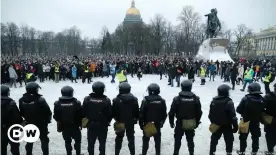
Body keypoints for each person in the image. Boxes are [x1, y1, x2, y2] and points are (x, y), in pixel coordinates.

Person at [168, 80, 202, 155]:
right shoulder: (195, 99)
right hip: (191, 122)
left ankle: (176, 152)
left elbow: (171, 112)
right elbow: (199, 112)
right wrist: (197, 122)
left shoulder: (177, 99)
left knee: (177, 139)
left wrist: (171, 122)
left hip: (180, 122)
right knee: (190, 140)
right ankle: (191, 152)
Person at [19, 82, 52, 155]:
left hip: (29, 123)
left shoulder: (21, 100)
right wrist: (47, 121)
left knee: (30, 141)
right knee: (44, 140)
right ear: (35, 90)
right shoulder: (40, 100)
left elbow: (21, 112)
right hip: (41, 123)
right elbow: (48, 112)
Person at [82, 81, 112, 155]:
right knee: (102, 143)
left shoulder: (87, 99)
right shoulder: (106, 100)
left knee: (91, 143)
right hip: (103, 125)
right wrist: (107, 121)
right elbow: (110, 114)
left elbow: (83, 112)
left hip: (91, 125)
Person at [208, 84, 238, 155]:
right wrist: (235, 126)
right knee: (229, 140)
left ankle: (212, 152)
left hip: (217, 124)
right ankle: (229, 152)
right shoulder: (229, 102)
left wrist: (214, 122)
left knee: (214, 139)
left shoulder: (213, 101)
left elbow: (210, 115)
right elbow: (233, 115)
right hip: (227, 125)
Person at [236, 82, 265, 155]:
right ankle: (254, 152)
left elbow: (238, 110)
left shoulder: (245, 99)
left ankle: (242, 151)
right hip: (256, 122)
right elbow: (263, 110)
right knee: (255, 137)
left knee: (243, 137)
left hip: (245, 121)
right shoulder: (262, 99)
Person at [139, 83, 167, 155]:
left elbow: (141, 113)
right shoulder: (162, 100)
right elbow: (164, 113)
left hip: (147, 123)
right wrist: (162, 122)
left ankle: (144, 153)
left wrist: (141, 124)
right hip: (157, 124)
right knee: (157, 141)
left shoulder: (145, 100)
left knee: (146, 140)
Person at [53, 86, 82, 155]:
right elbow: (81, 115)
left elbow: (55, 116)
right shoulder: (77, 103)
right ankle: (78, 153)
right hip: (75, 126)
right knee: (78, 141)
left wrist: (60, 121)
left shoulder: (57, 103)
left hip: (64, 126)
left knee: (67, 142)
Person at [112, 82, 139, 155]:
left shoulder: (116, 100)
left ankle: (116, 153)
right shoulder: (134, 99)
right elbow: (136, 111)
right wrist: (135, 119)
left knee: (119, 138)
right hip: (130, 122)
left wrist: (116, 119)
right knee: (131, 138)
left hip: (120, 122)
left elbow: (113, 111)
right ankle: (132, 153)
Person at [1, 85, 22, 155]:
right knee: (15, 147)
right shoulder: (11, 103)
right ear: (7, 92)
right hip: (12, 128)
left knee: (2, 147)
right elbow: (17, 117)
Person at [263, 83, 276, 155]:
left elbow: (261, 108)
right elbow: (261, 108)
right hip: (270, 119)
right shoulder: (268, 97)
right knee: (269, 135)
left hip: (269, 119)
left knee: (269, 135)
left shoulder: (268, 97)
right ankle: (270, 149)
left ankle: (270, 150)